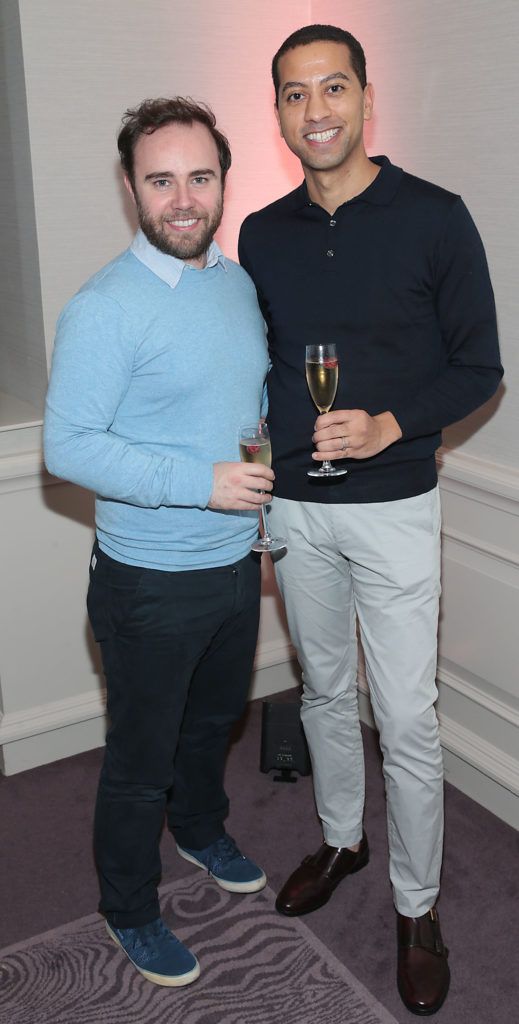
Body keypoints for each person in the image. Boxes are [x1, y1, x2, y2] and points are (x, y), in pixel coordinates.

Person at [238, 24, 503, 1016]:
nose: (318, 111)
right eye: (296, 95)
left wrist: (393, 420)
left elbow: (481, 368)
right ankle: (343, 838)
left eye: (334, 88)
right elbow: (254, 382)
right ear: (278, 114)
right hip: (301, 511)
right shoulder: (261, 233)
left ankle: (419, 904)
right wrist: (261, 491)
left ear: (365, 97)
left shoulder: (437, 218)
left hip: (396, 507)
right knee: (322, 692)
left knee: (407, 717)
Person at [44, 96, 273, 988]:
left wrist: (251, 495)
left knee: (214, 726)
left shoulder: (236, 282)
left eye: (200, 177)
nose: (183, 198)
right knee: (139, 762)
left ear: (222, 181)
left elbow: (234, 412)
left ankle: (203, 830)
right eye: (161, 180)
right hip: (146, 582)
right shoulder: (105, 306)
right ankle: (129, 908)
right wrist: (201, 482)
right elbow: (67, 446)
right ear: (132, 189)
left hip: (231, 565)